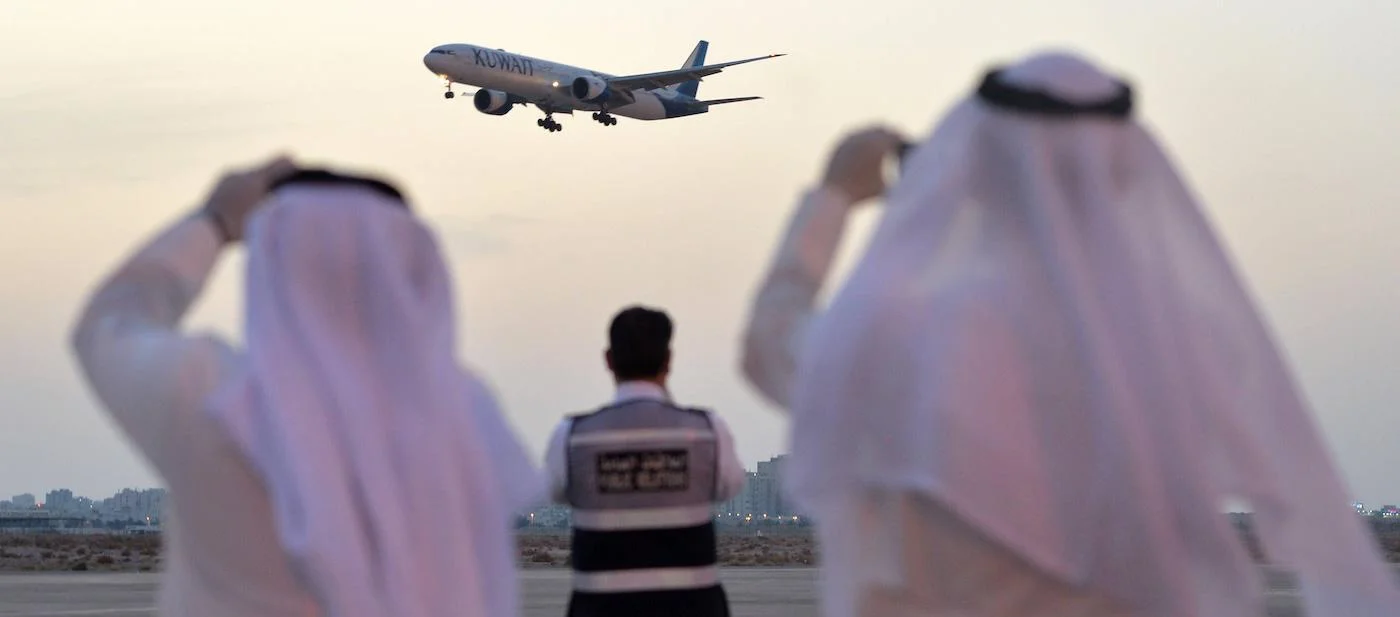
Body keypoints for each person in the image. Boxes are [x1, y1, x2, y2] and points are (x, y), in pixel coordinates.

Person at [740, 51, 1400, 617]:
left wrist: (830, 197)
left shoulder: (913, 336)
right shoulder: (1182, 348)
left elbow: (771, 347)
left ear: (976, 171)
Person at [70, 159, 542, 617]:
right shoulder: (466, 412)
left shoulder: (213, 396)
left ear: (269, 261)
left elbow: (109, 323)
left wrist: (215, 220)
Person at [544, 305, 746, 617]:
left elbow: (555, 490)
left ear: (608, 360)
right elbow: (730, 485)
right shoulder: (707, 430)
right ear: (669, 360)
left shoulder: (572, 436)